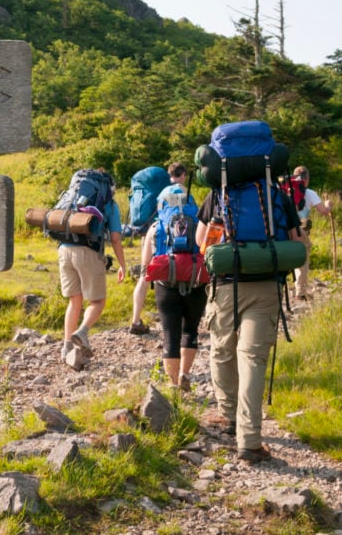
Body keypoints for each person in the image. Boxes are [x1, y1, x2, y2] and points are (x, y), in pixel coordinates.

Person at [195, 189, 303, 462]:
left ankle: (229, 415)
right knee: (253, 359)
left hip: (225, 287)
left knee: (222, 350)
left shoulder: (218, 194)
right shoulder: (275, 193)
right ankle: (250, 441)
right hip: (266, 286)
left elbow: (200, 241)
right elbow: (297, 241)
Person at [59, 170, 126, 365]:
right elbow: (115, 238)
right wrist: (122, 264)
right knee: (98, 301)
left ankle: (66, 349)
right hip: (88, 252)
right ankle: (83, 332)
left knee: (74, 300)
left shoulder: (73, 198)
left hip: (64, 249)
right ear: (109, 188)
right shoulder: (109, 205)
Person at [141, 217, 208, 390]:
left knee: (170, 335)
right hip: (196, 282)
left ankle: (173, 384)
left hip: (166, 285)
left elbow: (145, 263)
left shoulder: (157, 226)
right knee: (191, 330)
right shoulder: (200, 222)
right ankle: (184, 374)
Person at [128, 163, 188, 335]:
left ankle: (135, 320)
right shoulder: (180, 191)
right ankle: (178, 321)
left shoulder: (161, 192)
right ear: (183, 174)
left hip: (149, 232)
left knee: (144, 276)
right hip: (170, 236)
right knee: (177, 274)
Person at [292, 166, 332, 301]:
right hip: (298, 230)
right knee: (302, 257)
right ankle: (300, 292)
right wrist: (328, 204)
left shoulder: (285, 191)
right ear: (307, 179)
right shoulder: (309, 193)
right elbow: (324, 212)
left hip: (281, 228)